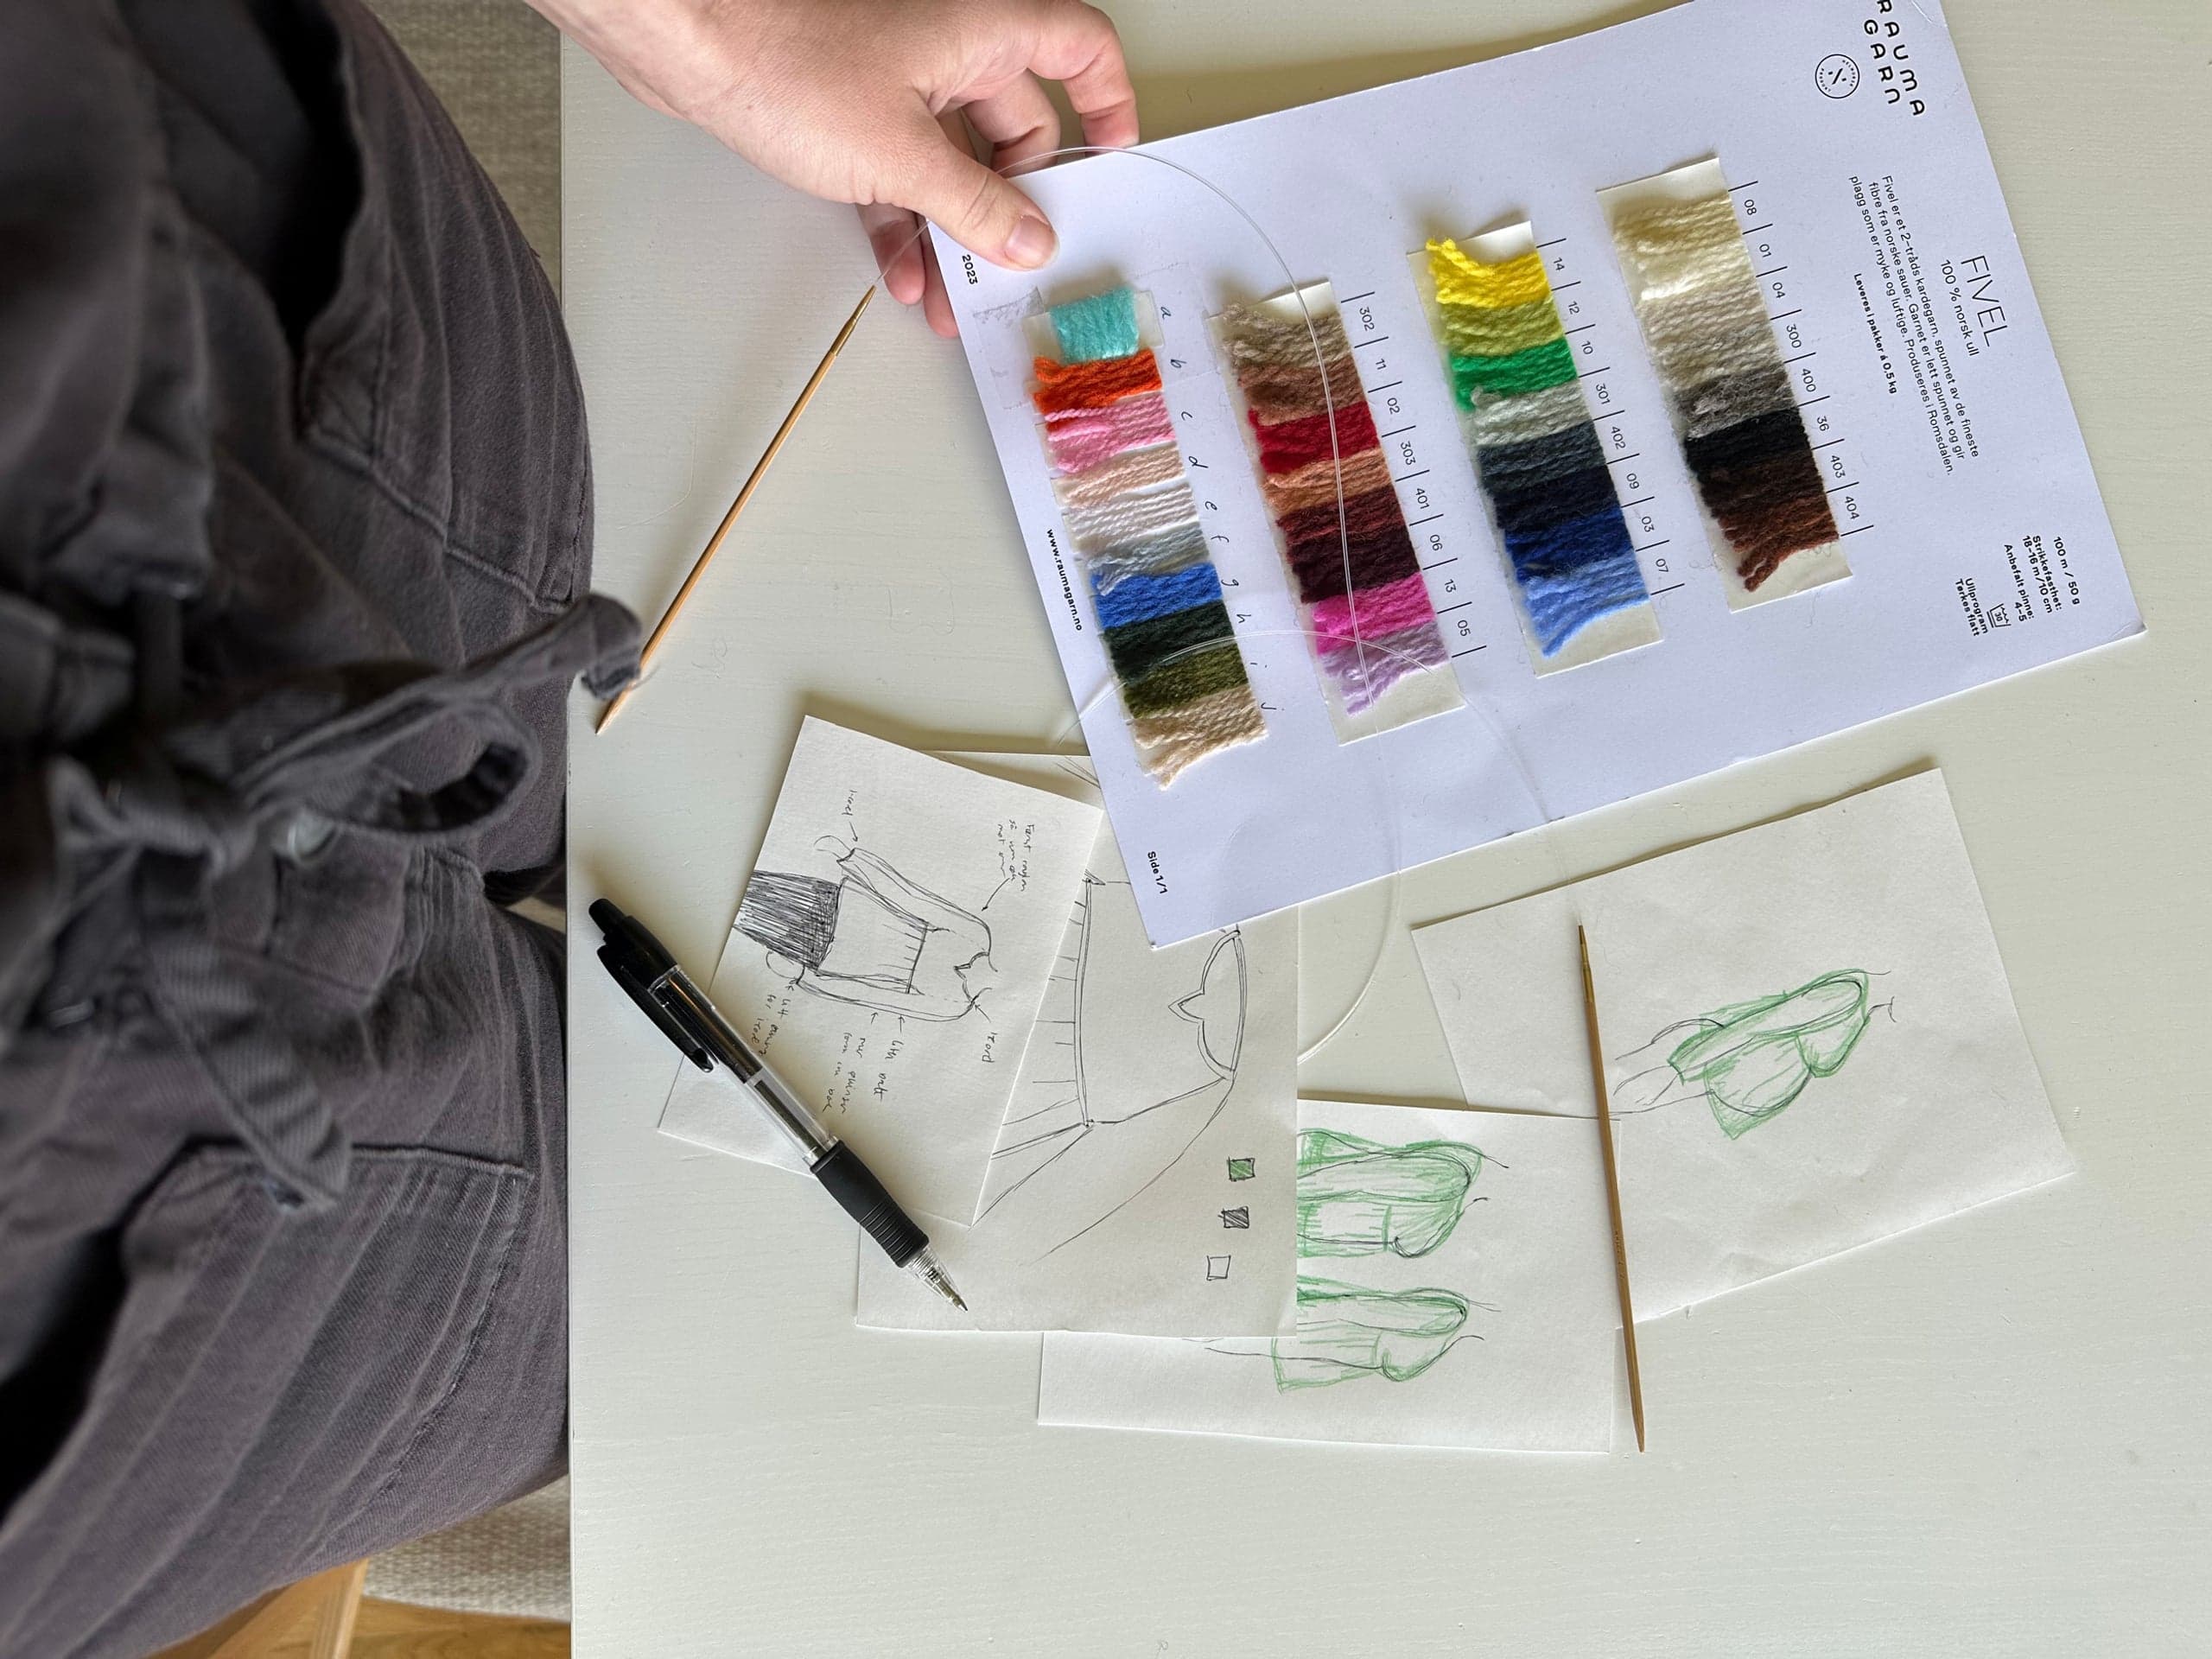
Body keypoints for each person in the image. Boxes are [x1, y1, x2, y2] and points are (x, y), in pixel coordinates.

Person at [0, 2, 1135, 1653]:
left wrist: (714, 26)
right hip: (116, 1247)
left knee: (580, 730)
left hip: (197, 322)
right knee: (692, 1270)